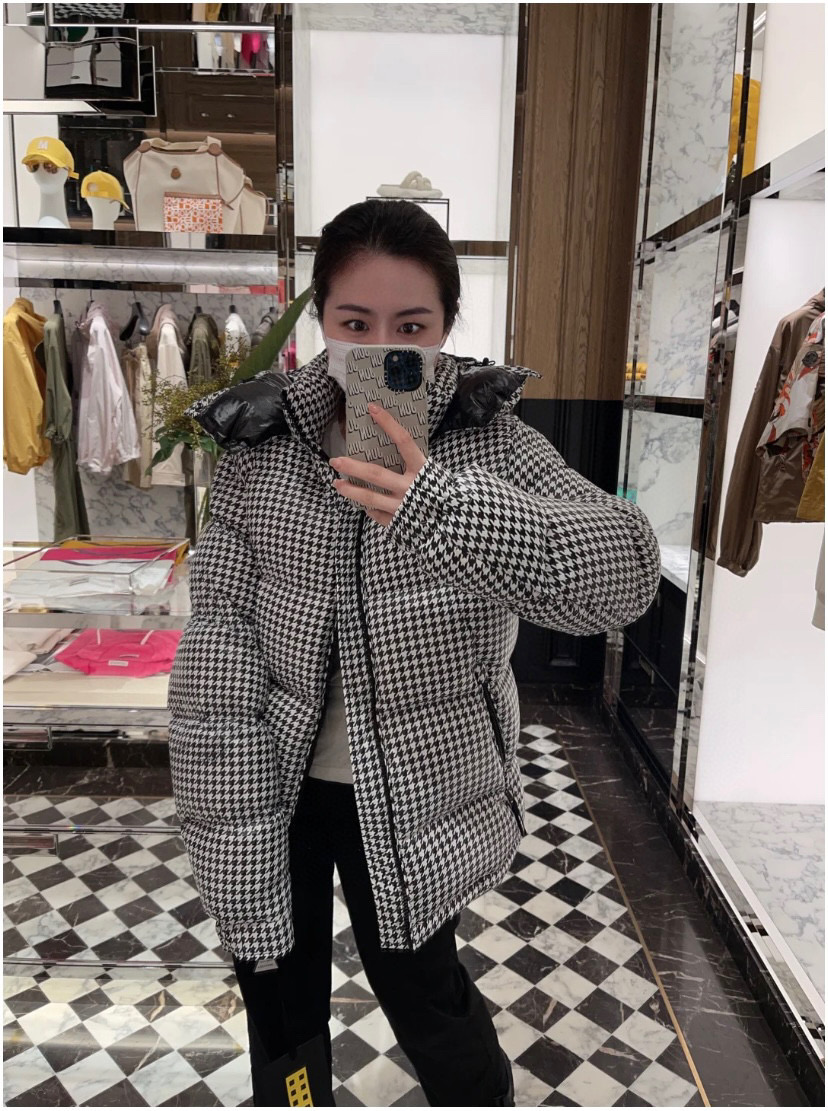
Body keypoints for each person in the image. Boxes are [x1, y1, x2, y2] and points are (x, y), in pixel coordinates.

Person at [167, 199, 662, 1107]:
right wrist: (227, 815)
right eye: (355, 323)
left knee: (424, 992)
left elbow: (625, 571)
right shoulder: (263, 449)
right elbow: (220, 637)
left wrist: (443, 507)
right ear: (319, 317)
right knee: (278, 997)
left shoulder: (488, 442)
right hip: (270, 783)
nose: (381, 348)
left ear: (446, 328)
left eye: (411, 327)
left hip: (415, 791)